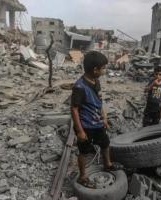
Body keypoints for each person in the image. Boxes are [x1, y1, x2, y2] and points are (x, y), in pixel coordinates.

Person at [70, 51, 118, 188]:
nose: (104, 70)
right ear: (95, 69)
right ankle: (82, 177)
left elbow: (99, 100)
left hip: (97, 123)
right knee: (84, 152)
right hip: (85, 126)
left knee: (105, 143)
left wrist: (104, 117)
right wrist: (80, 131)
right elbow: (74, 109)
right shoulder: (79, 87)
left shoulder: (96, 81)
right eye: (103, 68)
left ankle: (108, 164)